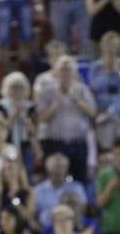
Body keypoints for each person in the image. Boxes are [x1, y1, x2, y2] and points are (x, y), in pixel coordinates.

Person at [35, 55, 96, 183]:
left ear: (74, 72)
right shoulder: (48, 90)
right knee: (54, 180)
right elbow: (41, 117)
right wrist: (56, 103)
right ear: (57, 72)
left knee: (80, 180)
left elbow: (93, 112)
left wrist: (78, 101)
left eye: (69, 69)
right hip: (54, 143)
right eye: (63, 69)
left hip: (78, 143)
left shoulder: (82, 89)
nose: (66, 73)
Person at [88, 31, 120, 150]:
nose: (111, 49)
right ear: (102, 47)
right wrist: (106, 73)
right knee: (105, 149)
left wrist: (119, 72)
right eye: (108, 45)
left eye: (114, 45)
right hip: (103, 114)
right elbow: (93, 87)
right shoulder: (96, 67)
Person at [0, 71, 39, 177]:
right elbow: (2, 128)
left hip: (26, 146)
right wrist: (15, 113)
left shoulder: (30, 107)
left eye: (20, 87)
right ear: (7, 88)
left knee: (27, 176)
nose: (16, 90)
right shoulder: (1, 106)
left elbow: (34, 131)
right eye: (13, 87)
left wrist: (24, 119)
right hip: (7, 145)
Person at [33, 152, 87, 232]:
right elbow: (34, 215)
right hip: (45, 230)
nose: (58, 170)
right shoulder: (37, 190)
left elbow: (83, 209)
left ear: (67, 168)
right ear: (47, 168)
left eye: (62, 167)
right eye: (55, 166)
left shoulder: (76, 187)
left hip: (72, 229)